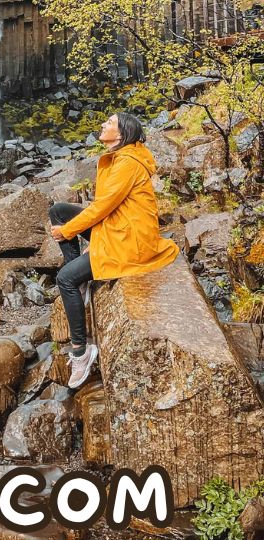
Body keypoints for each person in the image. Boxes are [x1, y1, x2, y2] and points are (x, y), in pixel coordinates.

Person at [49, 110, 178, 390]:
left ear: (120, 135)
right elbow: (104, 208)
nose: (103, 124)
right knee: (59, 211)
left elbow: (101, 207)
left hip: (129, 241)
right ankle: (82, 283)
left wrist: (68, 231)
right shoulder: (121, 157)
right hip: (117, 228)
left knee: (64, 279)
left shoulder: (127, 163)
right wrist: (67, 225)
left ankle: (81, 352)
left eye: (109, 122)